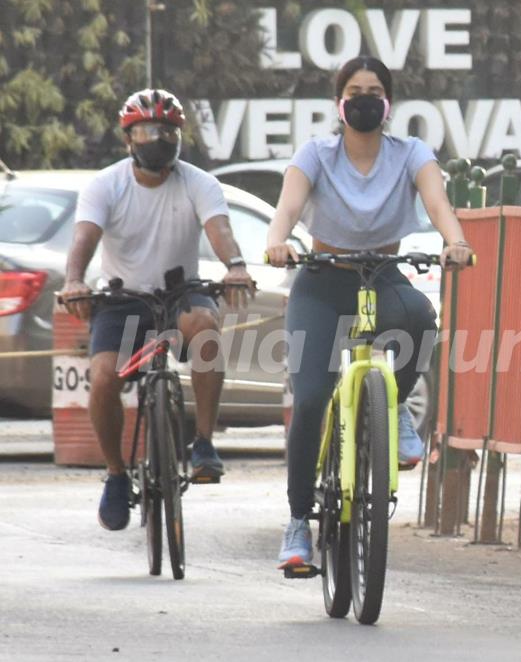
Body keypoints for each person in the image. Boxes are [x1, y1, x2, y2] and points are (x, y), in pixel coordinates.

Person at [265, 56, 474, 566]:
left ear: (388, 103)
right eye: (353, 90)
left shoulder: (411, 153)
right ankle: (297, 523)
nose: (363, 97)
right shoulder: (316, 153)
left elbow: (438, 202)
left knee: (421, 317)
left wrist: (456, 242)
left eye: (374, 90)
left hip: (383, 274)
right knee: (311, 397)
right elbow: (288, 207)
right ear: (339, 103)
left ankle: (395, 406)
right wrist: (276, 240)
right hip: (320, 281)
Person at [60, 89, 255, 531]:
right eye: (147, 131)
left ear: (180, 136)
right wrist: (74, 280)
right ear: (129, 138)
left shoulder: (198, 182)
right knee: (105, 378)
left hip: (179, 291)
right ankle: (114, 474)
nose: (158, 138)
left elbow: (219, 229)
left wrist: (237, 267)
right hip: (121, 298)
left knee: (205, 326)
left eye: (167, 130)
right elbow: (84, 240)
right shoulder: (105, 184)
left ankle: (203, 442)